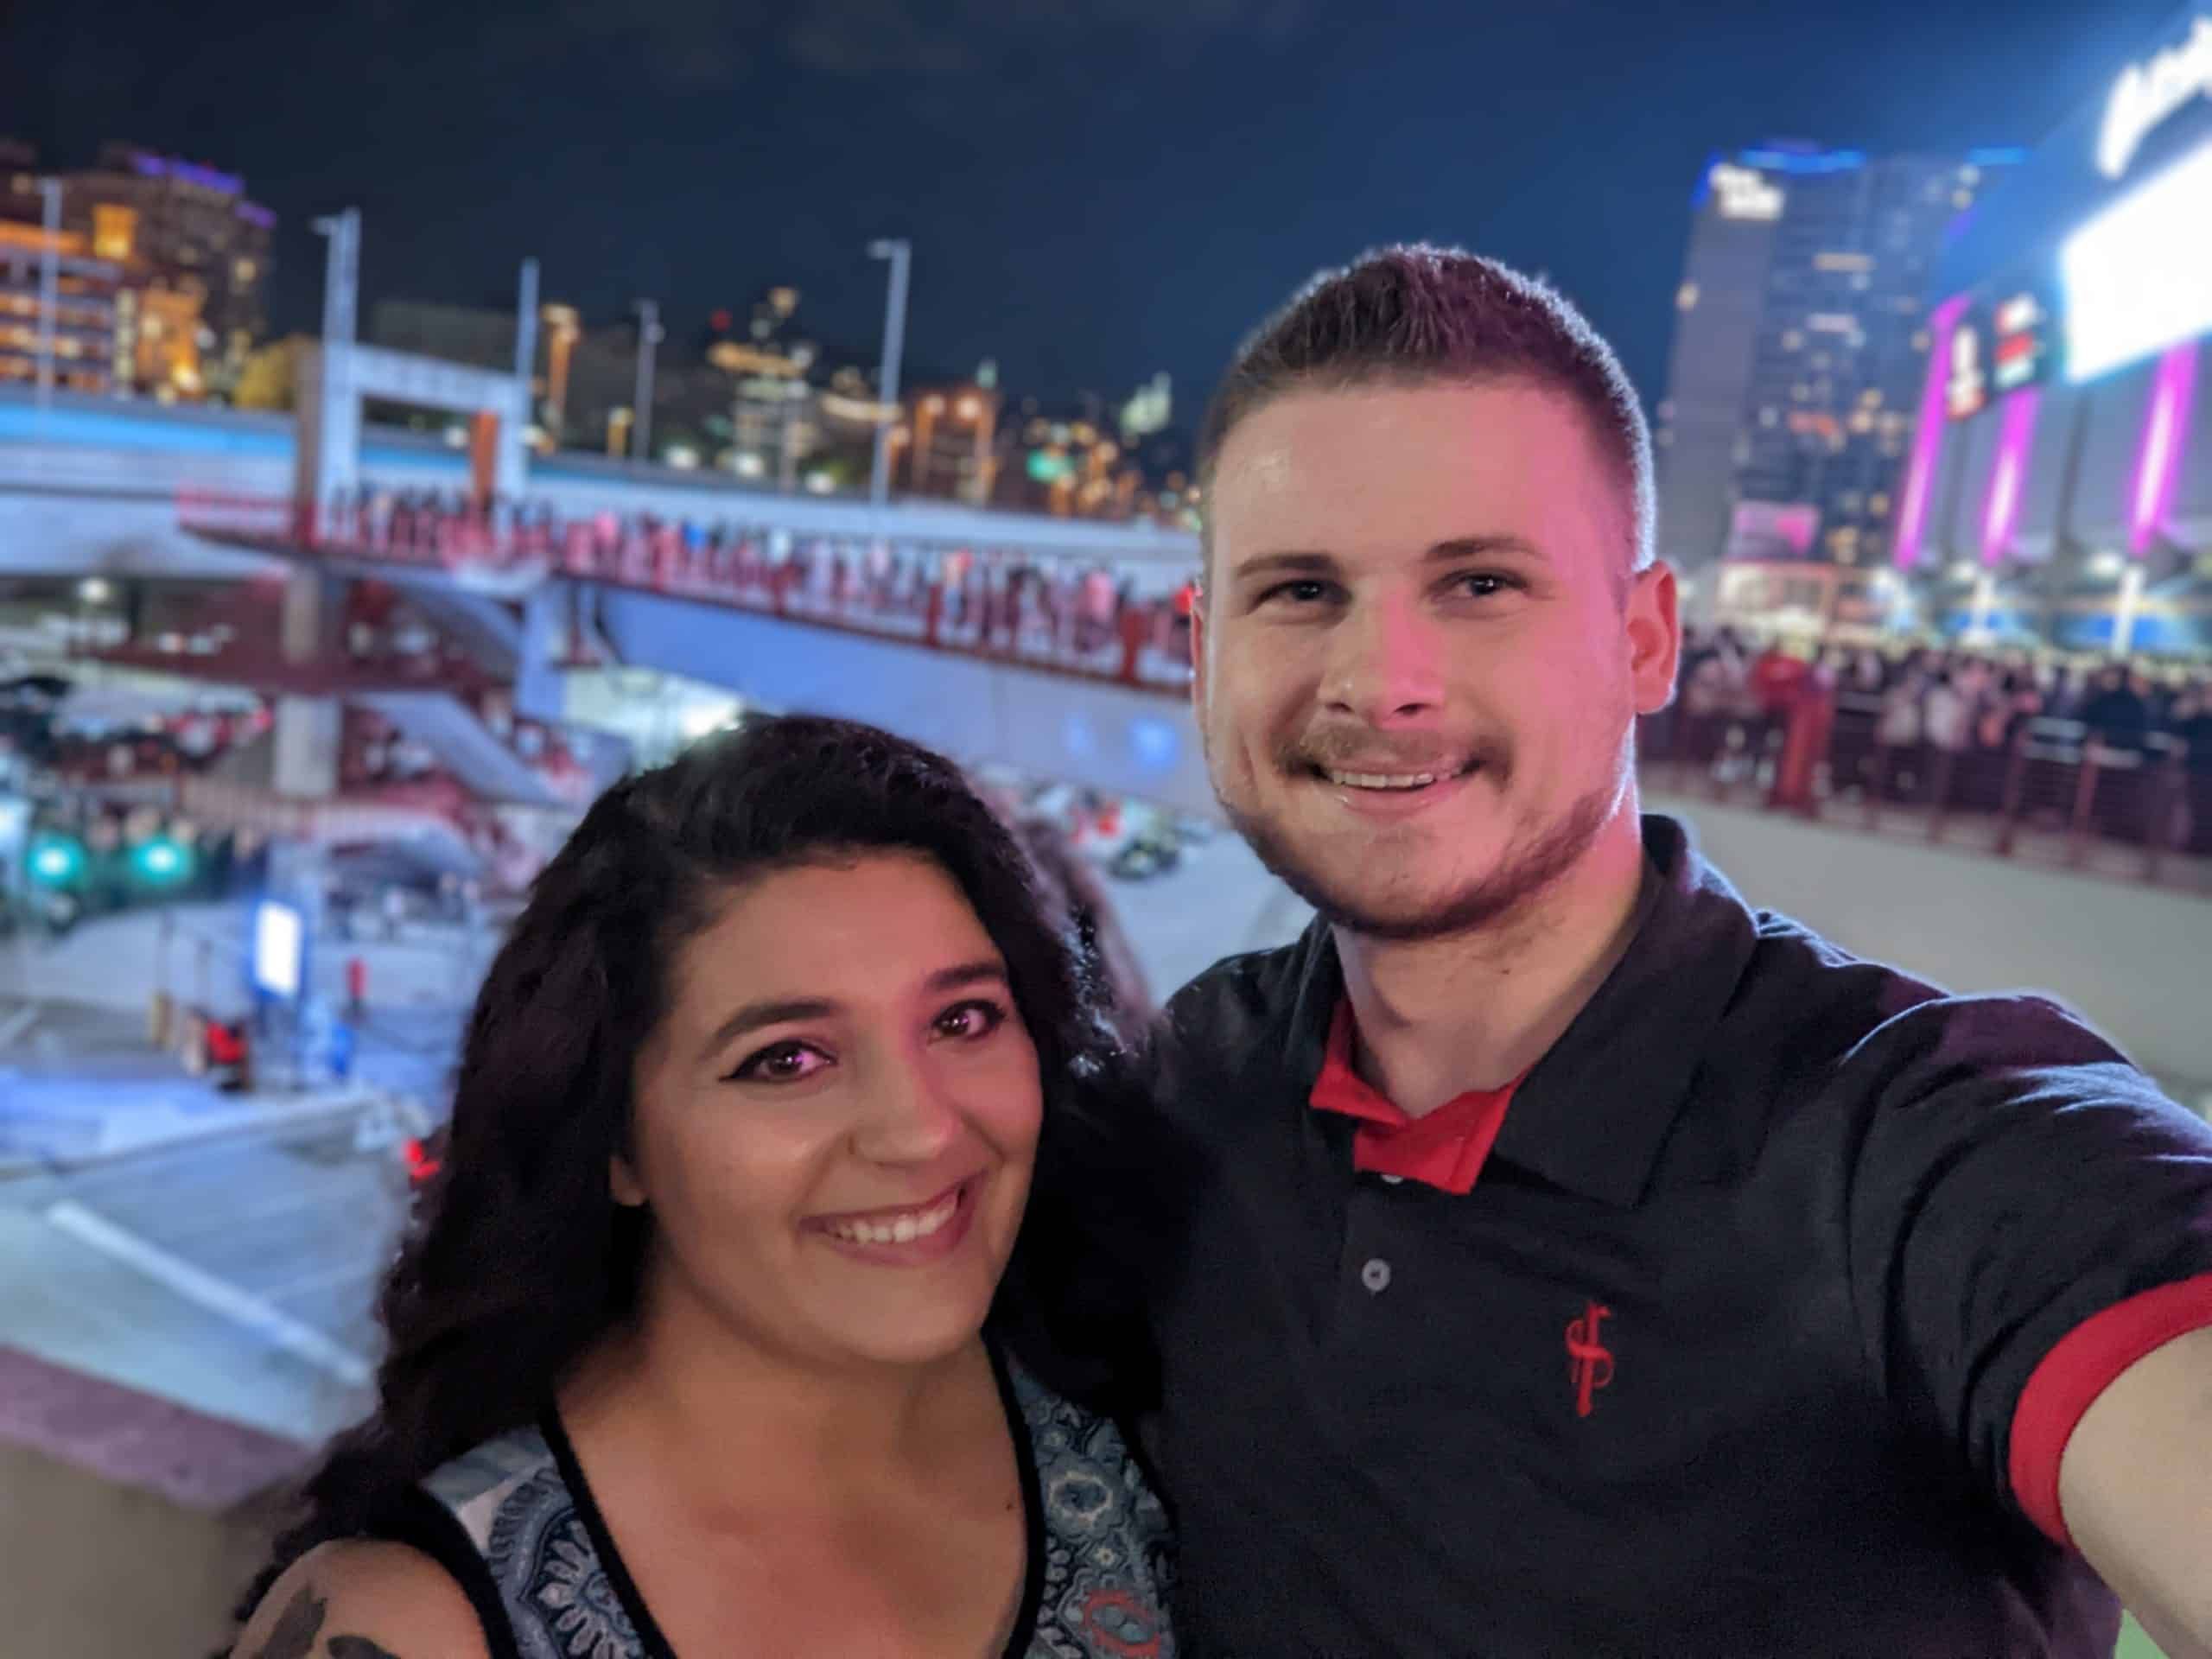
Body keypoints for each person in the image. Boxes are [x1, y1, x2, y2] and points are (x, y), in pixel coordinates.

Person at [1065, 245, 2212, 1656]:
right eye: (1301, 591)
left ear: (1644, 639)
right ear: (1201, 652)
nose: (1380, 681)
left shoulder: (1915, 1152)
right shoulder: (1198, 1084)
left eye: (1480, 584)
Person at [227, 715, 1173, 1659]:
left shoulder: (1160, 1412)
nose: (922, 1129)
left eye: (964, 1019)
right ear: (617, 1142)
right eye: (788, 1059)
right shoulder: (418, 1624)